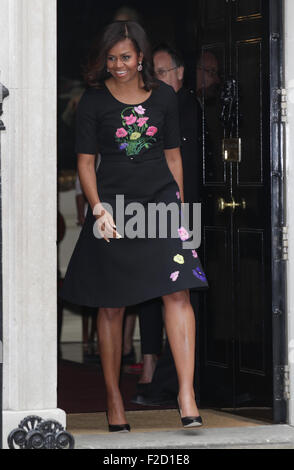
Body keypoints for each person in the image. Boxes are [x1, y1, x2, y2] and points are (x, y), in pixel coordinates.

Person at [60, 21, 208, 432]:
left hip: (161, 206)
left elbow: (174, 156)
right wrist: (98, 209)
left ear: (140, 56)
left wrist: (178, 207)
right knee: (111, 305)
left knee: (178, 293)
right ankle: (113, 399)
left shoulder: (163, 97)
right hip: (114, 209)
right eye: (111, 58)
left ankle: (186, 394)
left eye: (125, 57)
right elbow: (86, 163)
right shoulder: (92, 101)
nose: (118, 65)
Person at [131, 44, 203, 406]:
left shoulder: (193, 110)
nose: (155, 79)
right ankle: (151, 370)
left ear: (179, 73)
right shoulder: (153, 110)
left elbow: (185, 167)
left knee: (179, 296)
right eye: (152, 73)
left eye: (161, 72)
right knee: (151, 292)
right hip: (153, 210)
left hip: (186, 215)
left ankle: (175, 385)